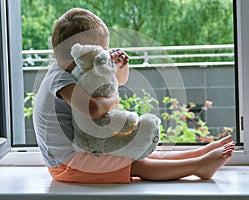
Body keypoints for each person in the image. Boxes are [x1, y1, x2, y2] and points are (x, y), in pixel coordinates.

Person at [33, 7, 235, 184]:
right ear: (83, 52)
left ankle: (199, 153)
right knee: (135, 163)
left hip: (78, 155)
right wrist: (114, 100)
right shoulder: (60, 80)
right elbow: (93, 109)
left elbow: (118, 82)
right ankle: (198, 166)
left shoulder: (73, 71)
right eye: (101, 50)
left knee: (134, 149)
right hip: (67, 165)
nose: (105, 54)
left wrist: (119, 66)